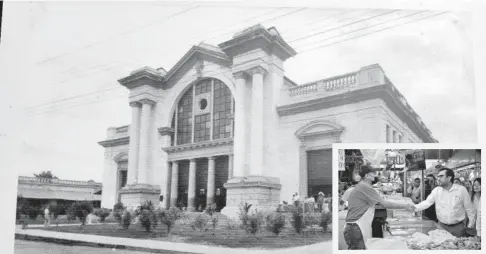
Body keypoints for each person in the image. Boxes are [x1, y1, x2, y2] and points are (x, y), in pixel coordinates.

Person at [343, 165, 414, 249]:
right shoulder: (365, 187)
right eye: (373, 173)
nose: (375, 175)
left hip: (354, 228)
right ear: (367, 176)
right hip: (355, 228)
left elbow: (379, 203)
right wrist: (405, 206)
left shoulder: (362, 186)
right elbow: (385, 204)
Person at [411, 168, 476, 237]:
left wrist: (470, 225)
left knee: (457, 246)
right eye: (438, 176)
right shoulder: (437, 190)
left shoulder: (461, 190)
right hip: (441, 227)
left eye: (441, 176)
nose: (438, 178)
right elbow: (427, 203)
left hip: (458, 228)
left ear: (449, 178)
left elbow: (469, 208)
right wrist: (414, 208)